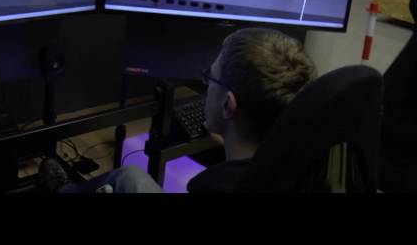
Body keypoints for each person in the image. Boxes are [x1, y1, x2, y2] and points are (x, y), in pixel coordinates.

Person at [37, 27, 317, 193]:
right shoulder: (306, 172)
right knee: (130, 177)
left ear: (228, 105)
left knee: (127, 179)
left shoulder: (213, 187)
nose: (206, 84)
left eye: (210, 77)